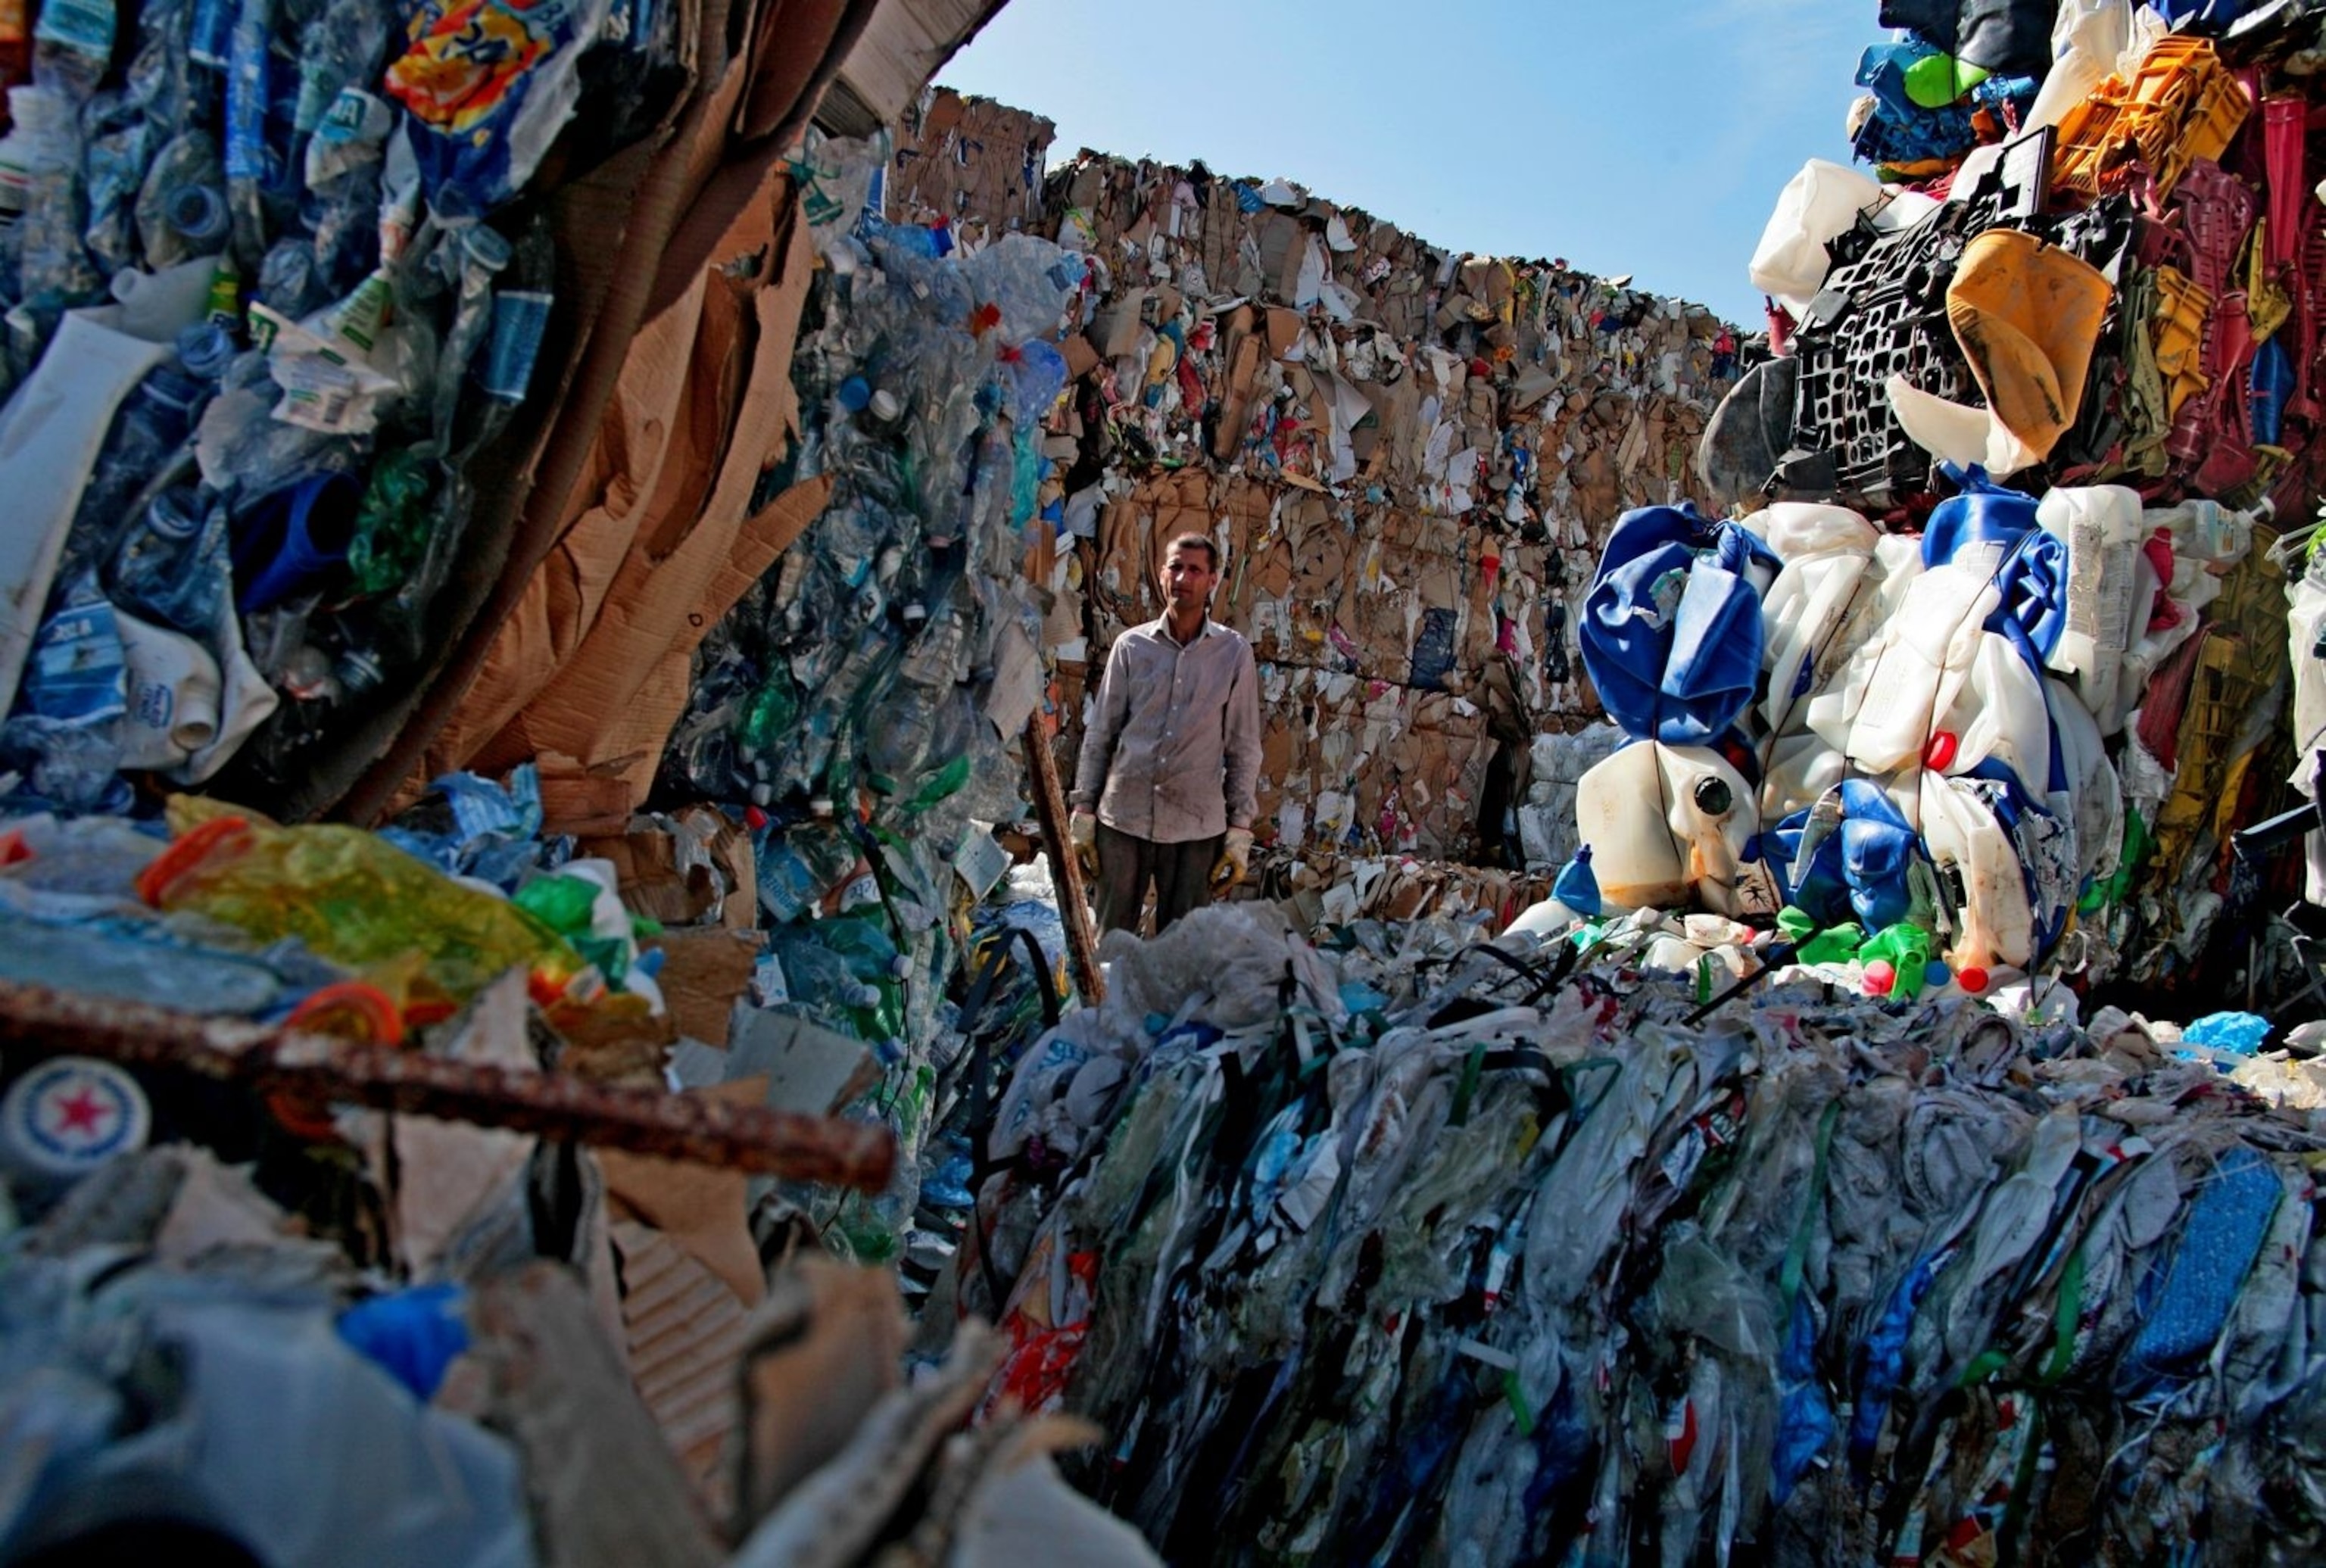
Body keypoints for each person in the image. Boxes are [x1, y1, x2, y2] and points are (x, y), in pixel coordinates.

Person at [1068, 532, 1262, 935]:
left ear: (1212, 581)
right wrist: (1084, 811)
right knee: (1111, 943)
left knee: (1183, 949)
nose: (1182, 578)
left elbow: (1243, 747)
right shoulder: (1131, 647)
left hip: (1196, 829)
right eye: (1175, 567)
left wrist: (1240, 829)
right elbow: (1101, 733)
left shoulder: (1233, 653)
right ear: (1161, 574)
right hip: (1123, 820)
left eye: (1195, 570)